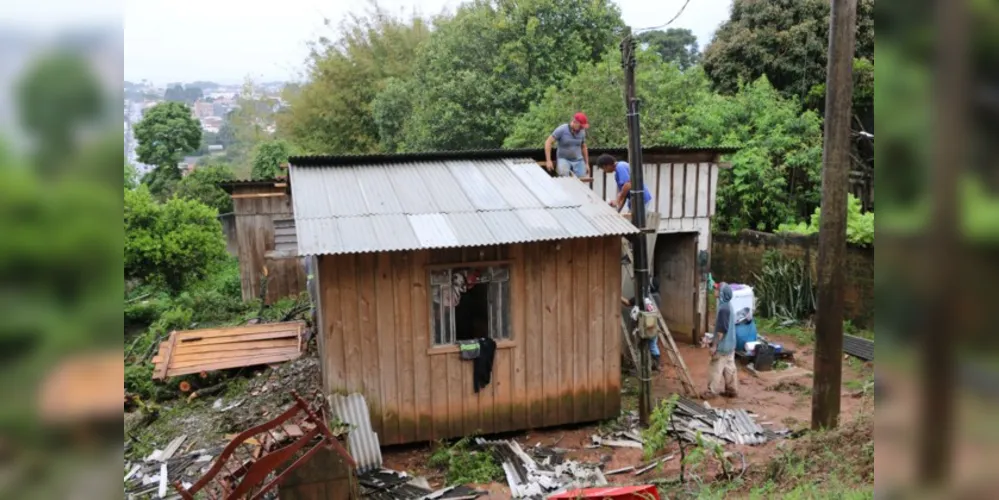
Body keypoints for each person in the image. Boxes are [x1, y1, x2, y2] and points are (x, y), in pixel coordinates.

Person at [704, 283, 739, 399]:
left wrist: (714, 346)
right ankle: (732, 390)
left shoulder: (723, 308)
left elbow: (721, 331)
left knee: (715, 368)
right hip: (731, 345)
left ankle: (711, 392)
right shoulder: (729, 305)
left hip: (723, 346)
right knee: (729, 367)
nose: (715, 290)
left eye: (717, 289)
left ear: (722, 293)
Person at [545, 112, 590, 178]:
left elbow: (583, 147)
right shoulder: (562, 129)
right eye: (580, 126)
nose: (582, 128)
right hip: (563, 159)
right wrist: (548, 161)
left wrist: (586, 163)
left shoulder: (582, 132)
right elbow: (548, 142)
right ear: (575, 122)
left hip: (578, 160)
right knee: (563, 176)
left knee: (583, 178)